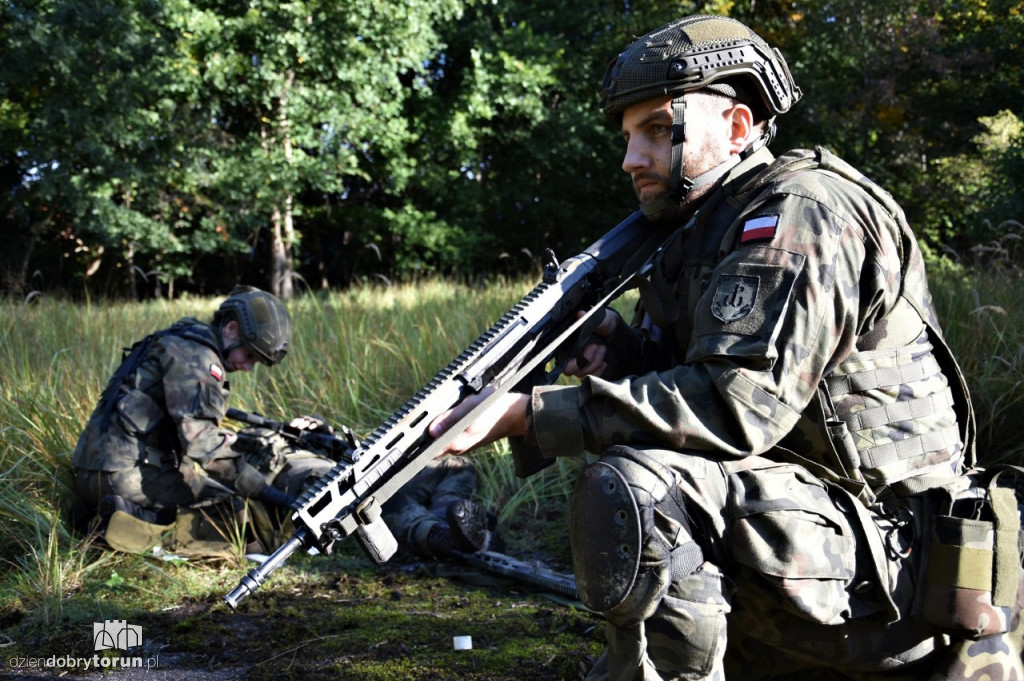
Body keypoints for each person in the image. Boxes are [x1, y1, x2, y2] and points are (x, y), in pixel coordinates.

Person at [428, 14, 1024, 680]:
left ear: (737, 128)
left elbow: (734, 409)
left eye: (656, 130)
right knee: (641, 464)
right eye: (628, 136)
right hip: (817, 546)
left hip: (899, 582)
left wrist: (534, 412)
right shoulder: (700, 230)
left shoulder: (797, 214)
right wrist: (617, 353)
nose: (631, 160)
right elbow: (697, 380)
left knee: (644, 486)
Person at [71, 285, 332, 553]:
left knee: (207, 485)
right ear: (231, 329)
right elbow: (202, 443)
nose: (247, 367)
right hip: (126, 475)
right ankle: (126, 524)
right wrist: (264, 490)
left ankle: (102, 513)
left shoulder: (179, 340)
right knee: (232, 509)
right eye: (249, 355)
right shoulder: (199, 360)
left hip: (91, 470)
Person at [381, 458, 499, 560]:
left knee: (458, 465)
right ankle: (437, 534)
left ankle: (450, 519)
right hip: (373, 490)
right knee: (379, 498)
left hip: (386, 470)